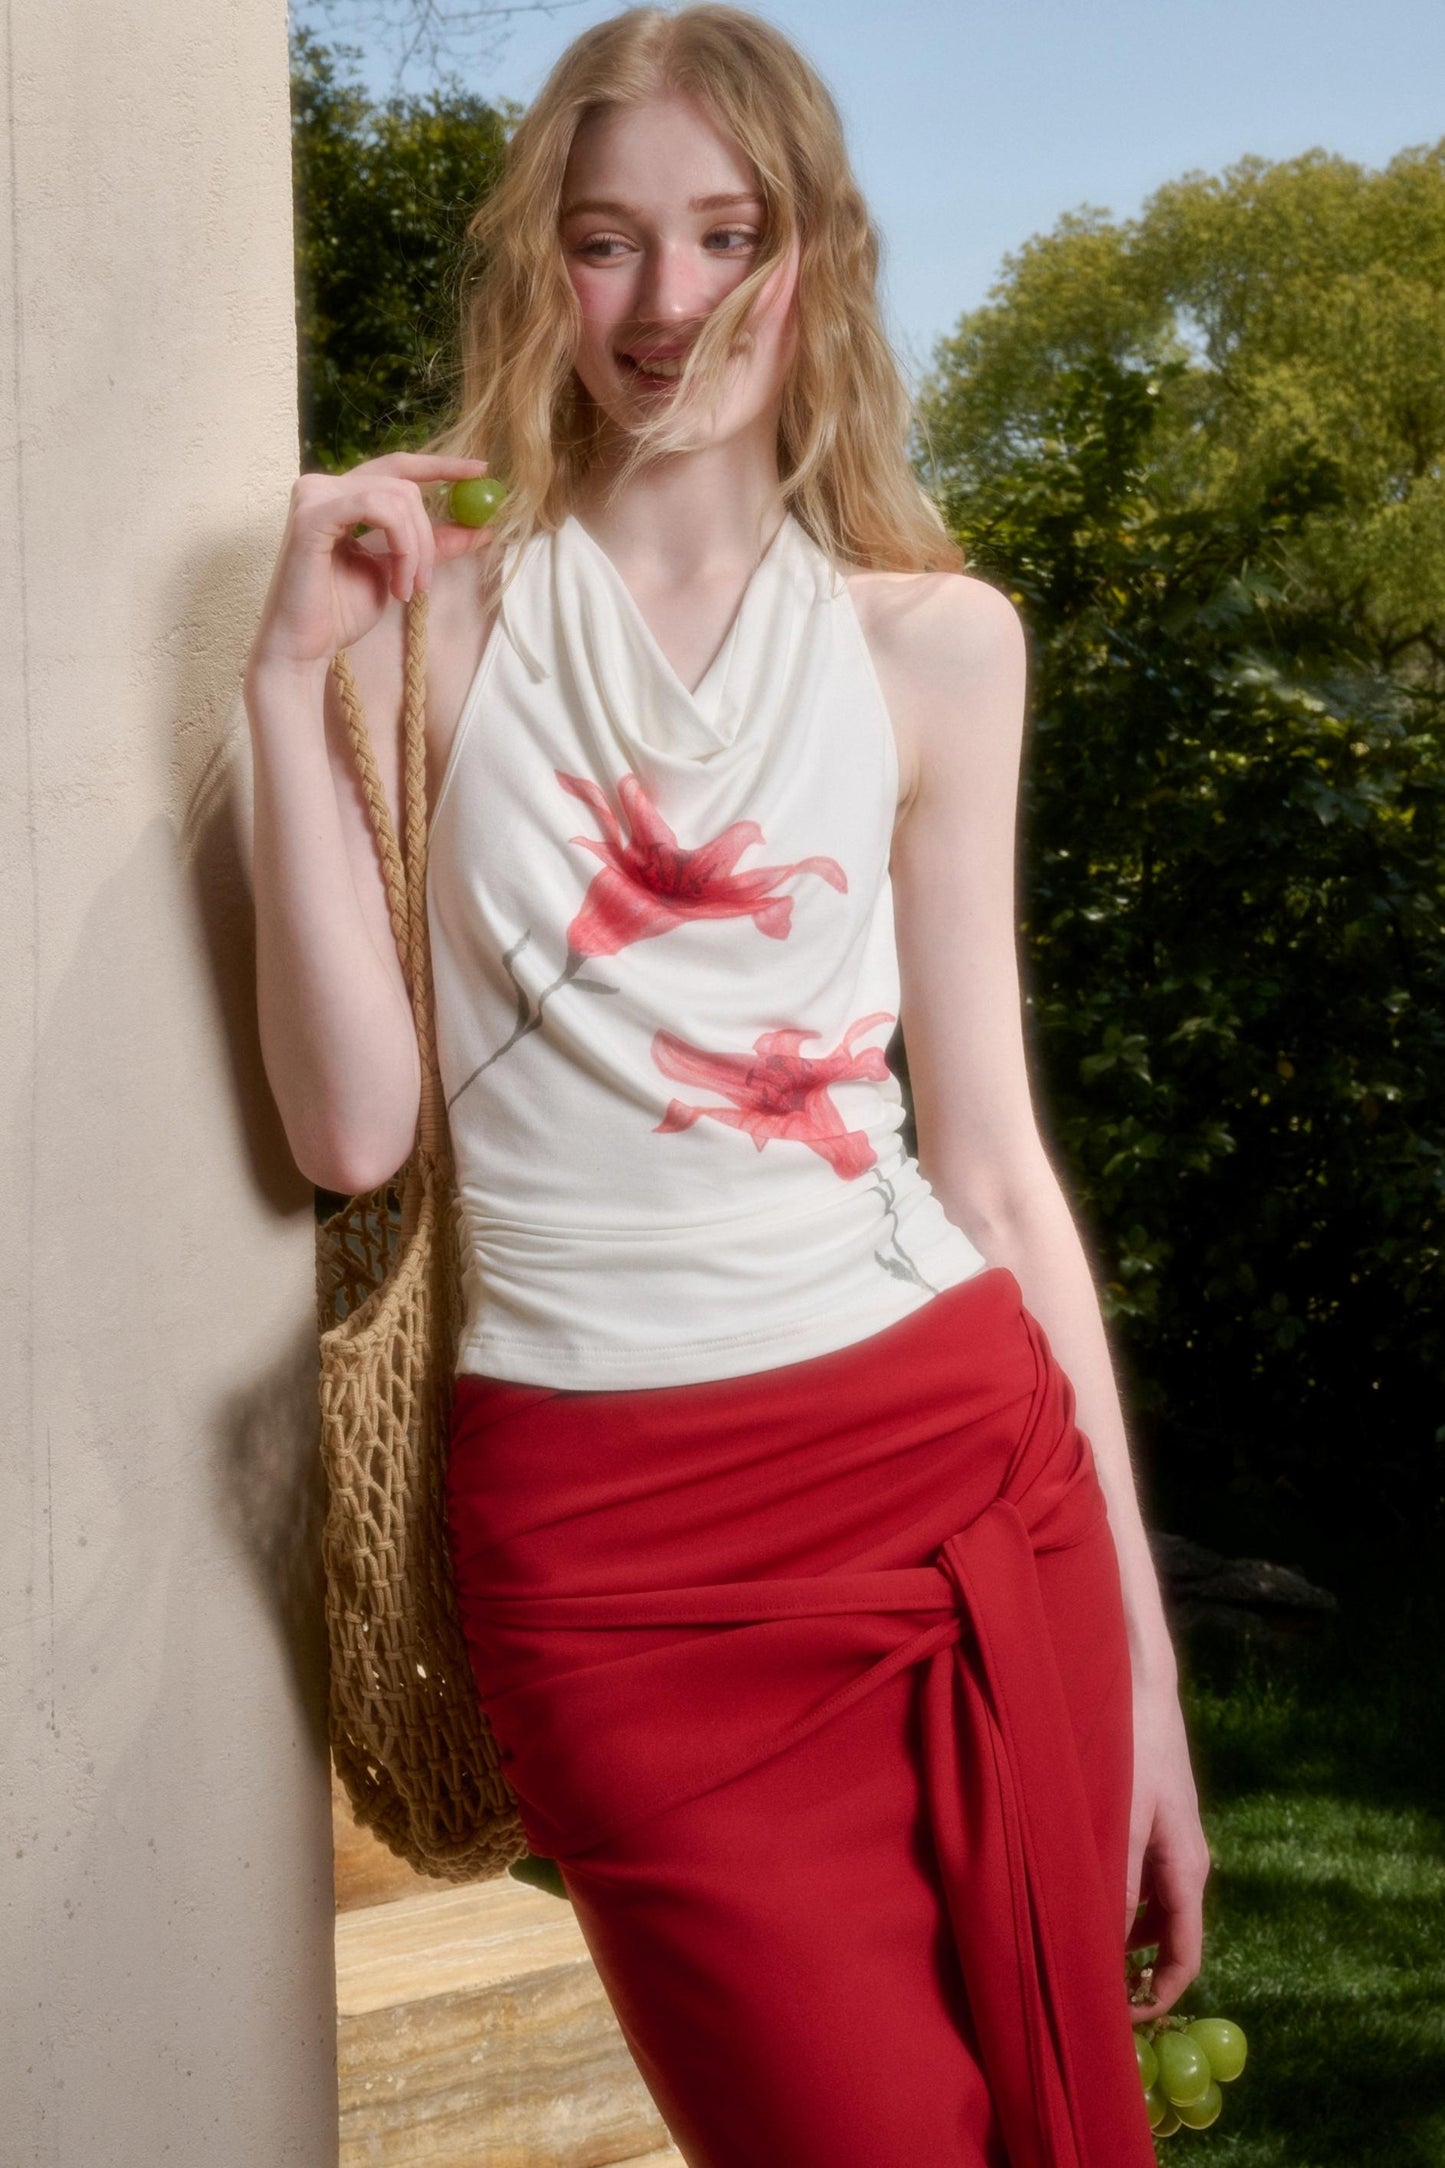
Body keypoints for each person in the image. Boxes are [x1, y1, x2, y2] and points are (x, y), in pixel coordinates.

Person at [244, 6, 1209, 2162]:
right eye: (607, 242)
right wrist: (285, 679)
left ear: (815, 256)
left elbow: (993, 1169)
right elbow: (352, 1132)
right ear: (543, 268)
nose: (666, 303)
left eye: (726, 234)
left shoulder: (935, 646)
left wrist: (1146, 1677)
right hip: (609, 1549)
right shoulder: (423, 625)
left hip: (960, 1469)